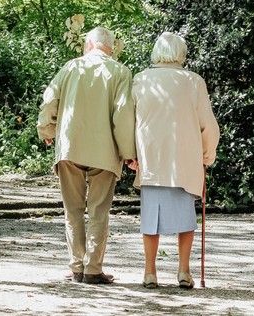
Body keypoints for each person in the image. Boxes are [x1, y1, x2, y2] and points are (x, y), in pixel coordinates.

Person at [37, 27, 136, 284]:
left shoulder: (70, 67)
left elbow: (50, 101)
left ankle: (77, 267)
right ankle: (93, 269)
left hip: (71, 148)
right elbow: (123, 115)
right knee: (99, 211)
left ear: (89, 44)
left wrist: (46, 129)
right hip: (105, 152)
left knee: (73, 210)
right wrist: (128, 153)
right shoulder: (121, 72)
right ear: (111, 48)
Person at [127, 32, 220, 289]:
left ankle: (149, 272)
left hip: (152, 159)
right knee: (186, 219)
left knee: (150, 219)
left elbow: (129, 121)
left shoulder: (141, 79)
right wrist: (206, 156)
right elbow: (208, 125)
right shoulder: (193, 81)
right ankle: (183, 271)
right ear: (182, 53)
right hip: (184, 160)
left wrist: (130, 155)